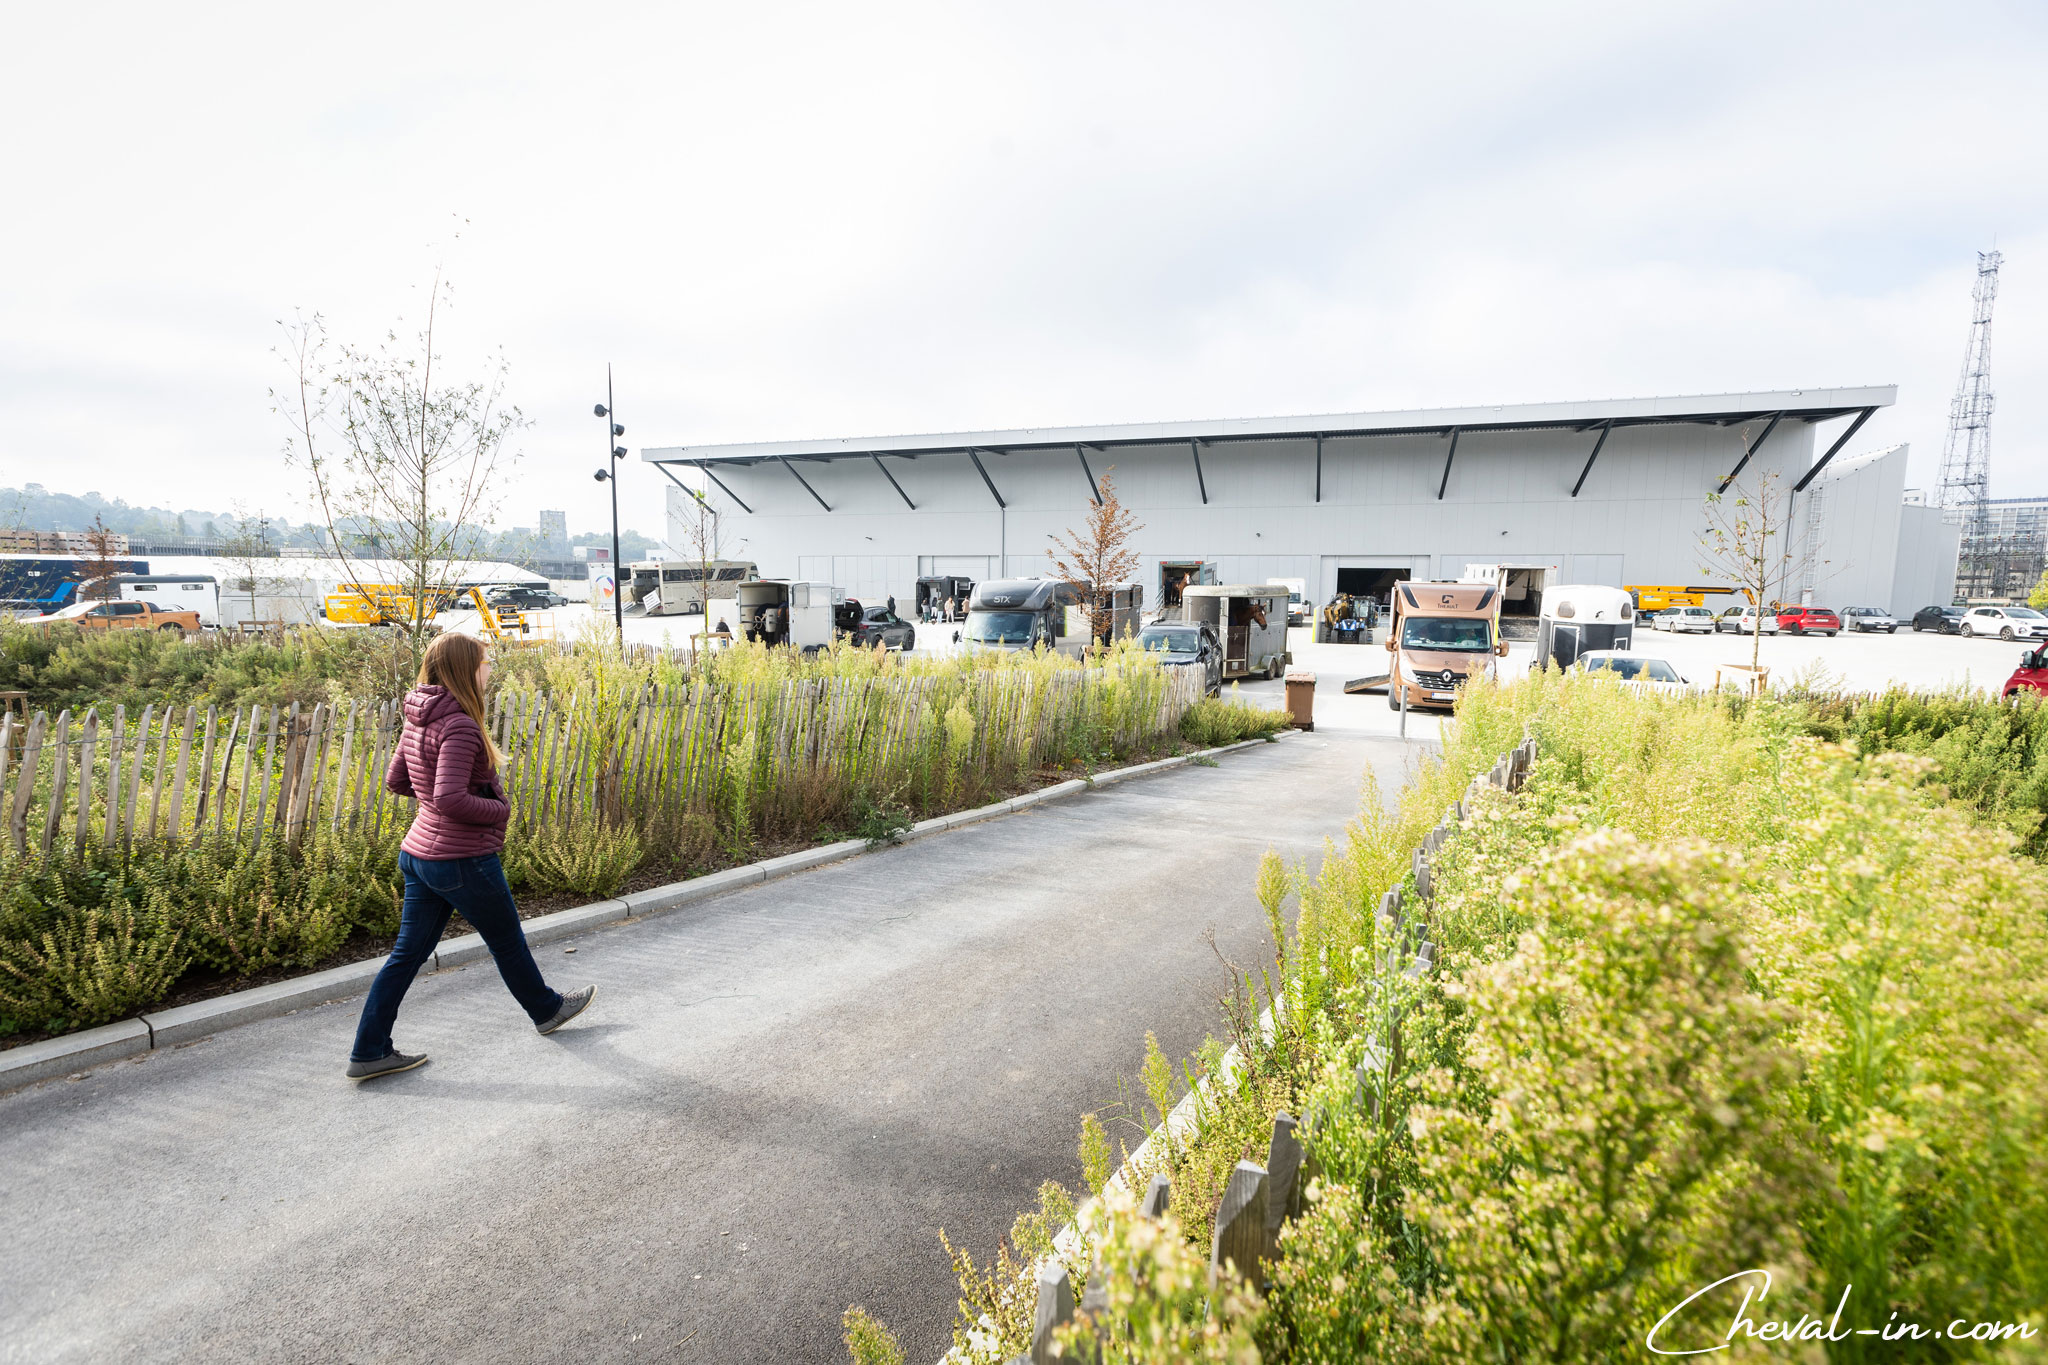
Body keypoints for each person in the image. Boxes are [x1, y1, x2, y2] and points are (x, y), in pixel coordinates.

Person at [346, 633, 594, 1081]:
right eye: (485, 662)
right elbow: (450, 798)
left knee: (406, 955)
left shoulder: (420, 715)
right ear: (465, 669)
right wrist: (500, 809)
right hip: (461, 858)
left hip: (420, 853)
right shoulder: (459, 723)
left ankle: (369, 1051)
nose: (489, 669)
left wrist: (435, 809)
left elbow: (398, 781)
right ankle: (548, 1010)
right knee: (507, 942)